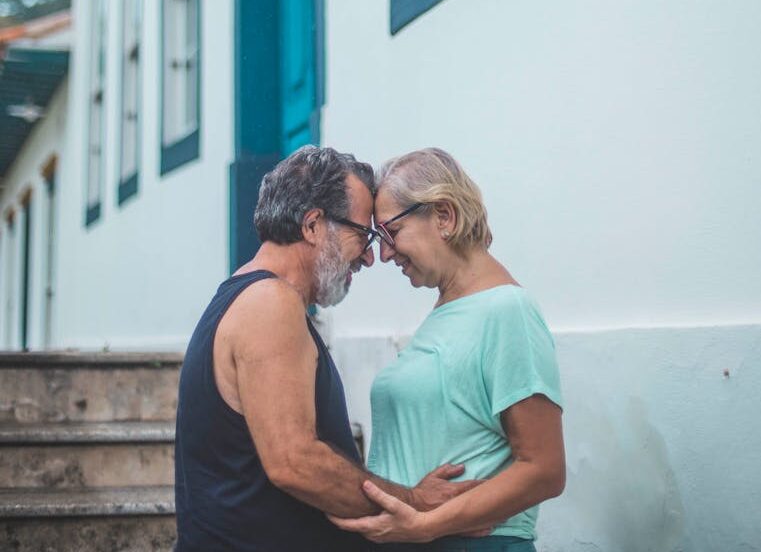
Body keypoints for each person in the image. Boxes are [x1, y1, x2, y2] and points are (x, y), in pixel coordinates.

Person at [174, 146, 481, 552]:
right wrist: (415, 503)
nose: (370, 258)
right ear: (314, 225)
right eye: (363, 235)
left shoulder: (250, 297)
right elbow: (295, 462)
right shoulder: (269, 302)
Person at [329, 148, 566, 551]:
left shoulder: (508, 311)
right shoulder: (449, 311)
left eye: (390, 233)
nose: (384, 254)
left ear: (444, 216)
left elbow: (544, 469)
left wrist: (428, 525)